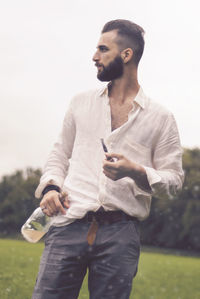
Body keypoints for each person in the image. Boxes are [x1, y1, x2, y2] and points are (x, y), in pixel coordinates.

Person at [32, 19, 184, 299]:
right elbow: (59, 154)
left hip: (121, 235)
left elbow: (174, 182)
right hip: (67, 224)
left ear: (126, 55)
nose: (94, 56)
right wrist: (52, 187)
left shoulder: (161, 118)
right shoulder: (80, 102)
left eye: (103, 49)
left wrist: (136, 171)